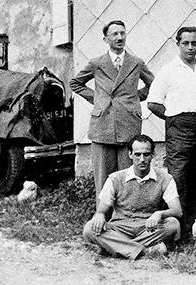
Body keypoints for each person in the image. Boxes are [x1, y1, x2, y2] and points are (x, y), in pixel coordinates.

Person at [70, 20, 154, 204]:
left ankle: (126, 215)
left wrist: (135, 98)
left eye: (122, 33)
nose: (120, 37)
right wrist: (97, 98)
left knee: (128, 176)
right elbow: (75, 83)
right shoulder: (97, 63)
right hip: (103, 126)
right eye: (115, 34)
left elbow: (153, 84)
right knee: (104, 178)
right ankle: (103, 218)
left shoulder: (136, 62)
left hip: (128, 123)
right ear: (105, 39)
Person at [146, 27, 196, 236]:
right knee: (179, 177)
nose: (190, 47)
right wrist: (173, 119)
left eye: (194, 43)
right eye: (185, 43)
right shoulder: (168, 70)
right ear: (177, 44)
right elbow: (153, 103)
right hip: (179, 126)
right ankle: (179, 229)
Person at [83, 134, 182, 260]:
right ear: (130, 155)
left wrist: (160, 214)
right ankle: (145, 251)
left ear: (153, 155)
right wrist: (100, 215)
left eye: (146, 154)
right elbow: (101, 210)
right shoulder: (115, 178)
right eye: (137, 154)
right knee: (89, 228)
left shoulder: (165, 179)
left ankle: (115, 248)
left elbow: (177, 211)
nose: (142, 159)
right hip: (120, 227)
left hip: (148, 228)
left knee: (173, 224)